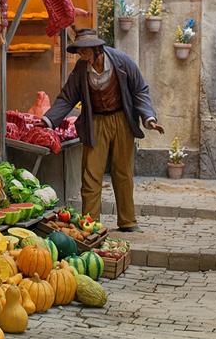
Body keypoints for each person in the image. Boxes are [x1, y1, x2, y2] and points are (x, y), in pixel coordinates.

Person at [41, 28, 163, 232]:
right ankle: (91, 224)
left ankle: (127, 221)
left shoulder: (122, 62)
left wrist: (148, 117)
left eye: (86, 50)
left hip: (122, 120)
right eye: (80, 51)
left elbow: (140, 89)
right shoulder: (81, 69)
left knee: (122, 172)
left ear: (98, 48)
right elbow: (67, 97)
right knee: (91, 175)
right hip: (95, 121)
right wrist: (48, 120)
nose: (82, 55)